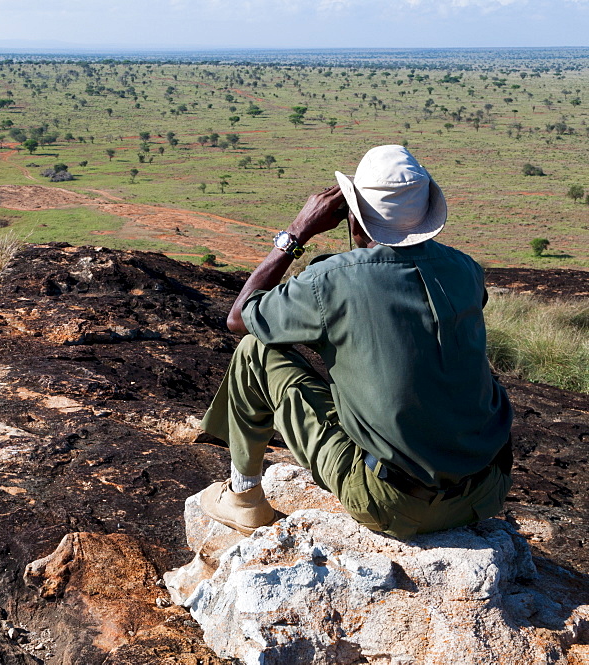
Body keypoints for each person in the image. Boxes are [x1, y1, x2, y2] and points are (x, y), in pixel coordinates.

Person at [198, 145, 513, 540]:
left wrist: (295, 234)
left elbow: (239, 318)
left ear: (352, 215)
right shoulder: (465, 268)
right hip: (487, 490)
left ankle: (243, 498)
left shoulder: (332, 281)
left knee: (254, 352)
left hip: (393, 504)